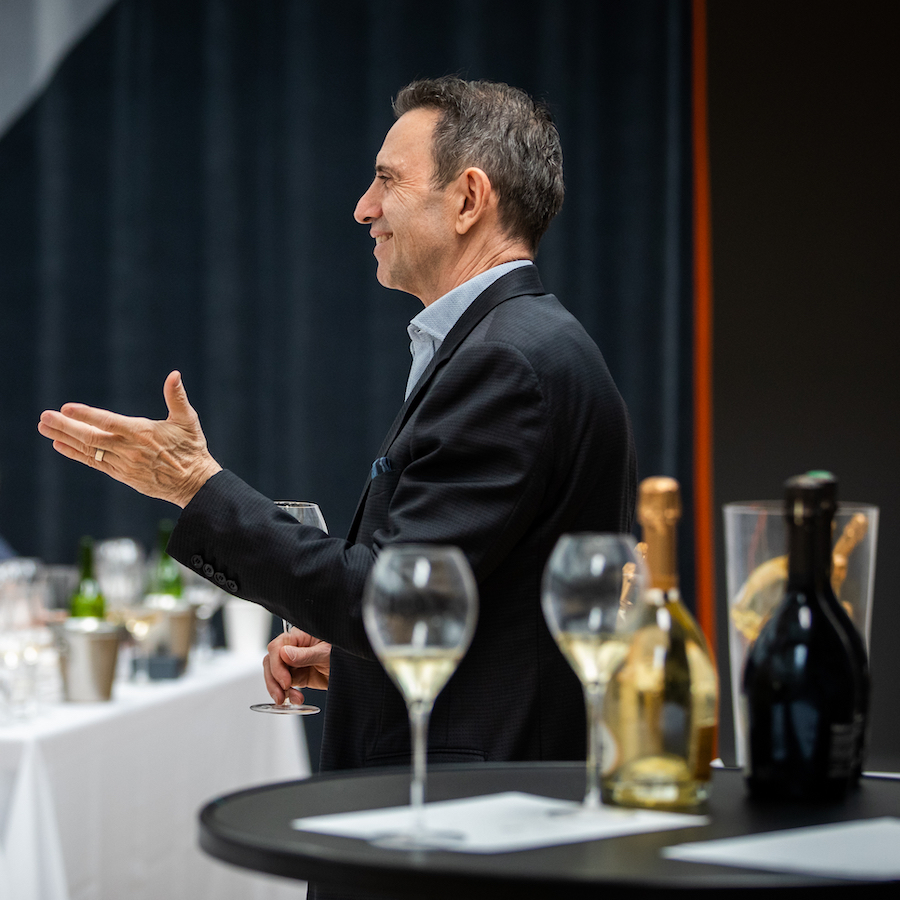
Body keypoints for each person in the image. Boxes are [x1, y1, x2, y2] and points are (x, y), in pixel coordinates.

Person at [38, 77, 636, 774]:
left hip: (468, 815)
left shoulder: (505, 360)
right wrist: (358, 667)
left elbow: (393, 599)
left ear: (469, 199)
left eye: (387, 181)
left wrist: (195, 486)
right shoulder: (525, 341)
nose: (363, 209)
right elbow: (468, 600)